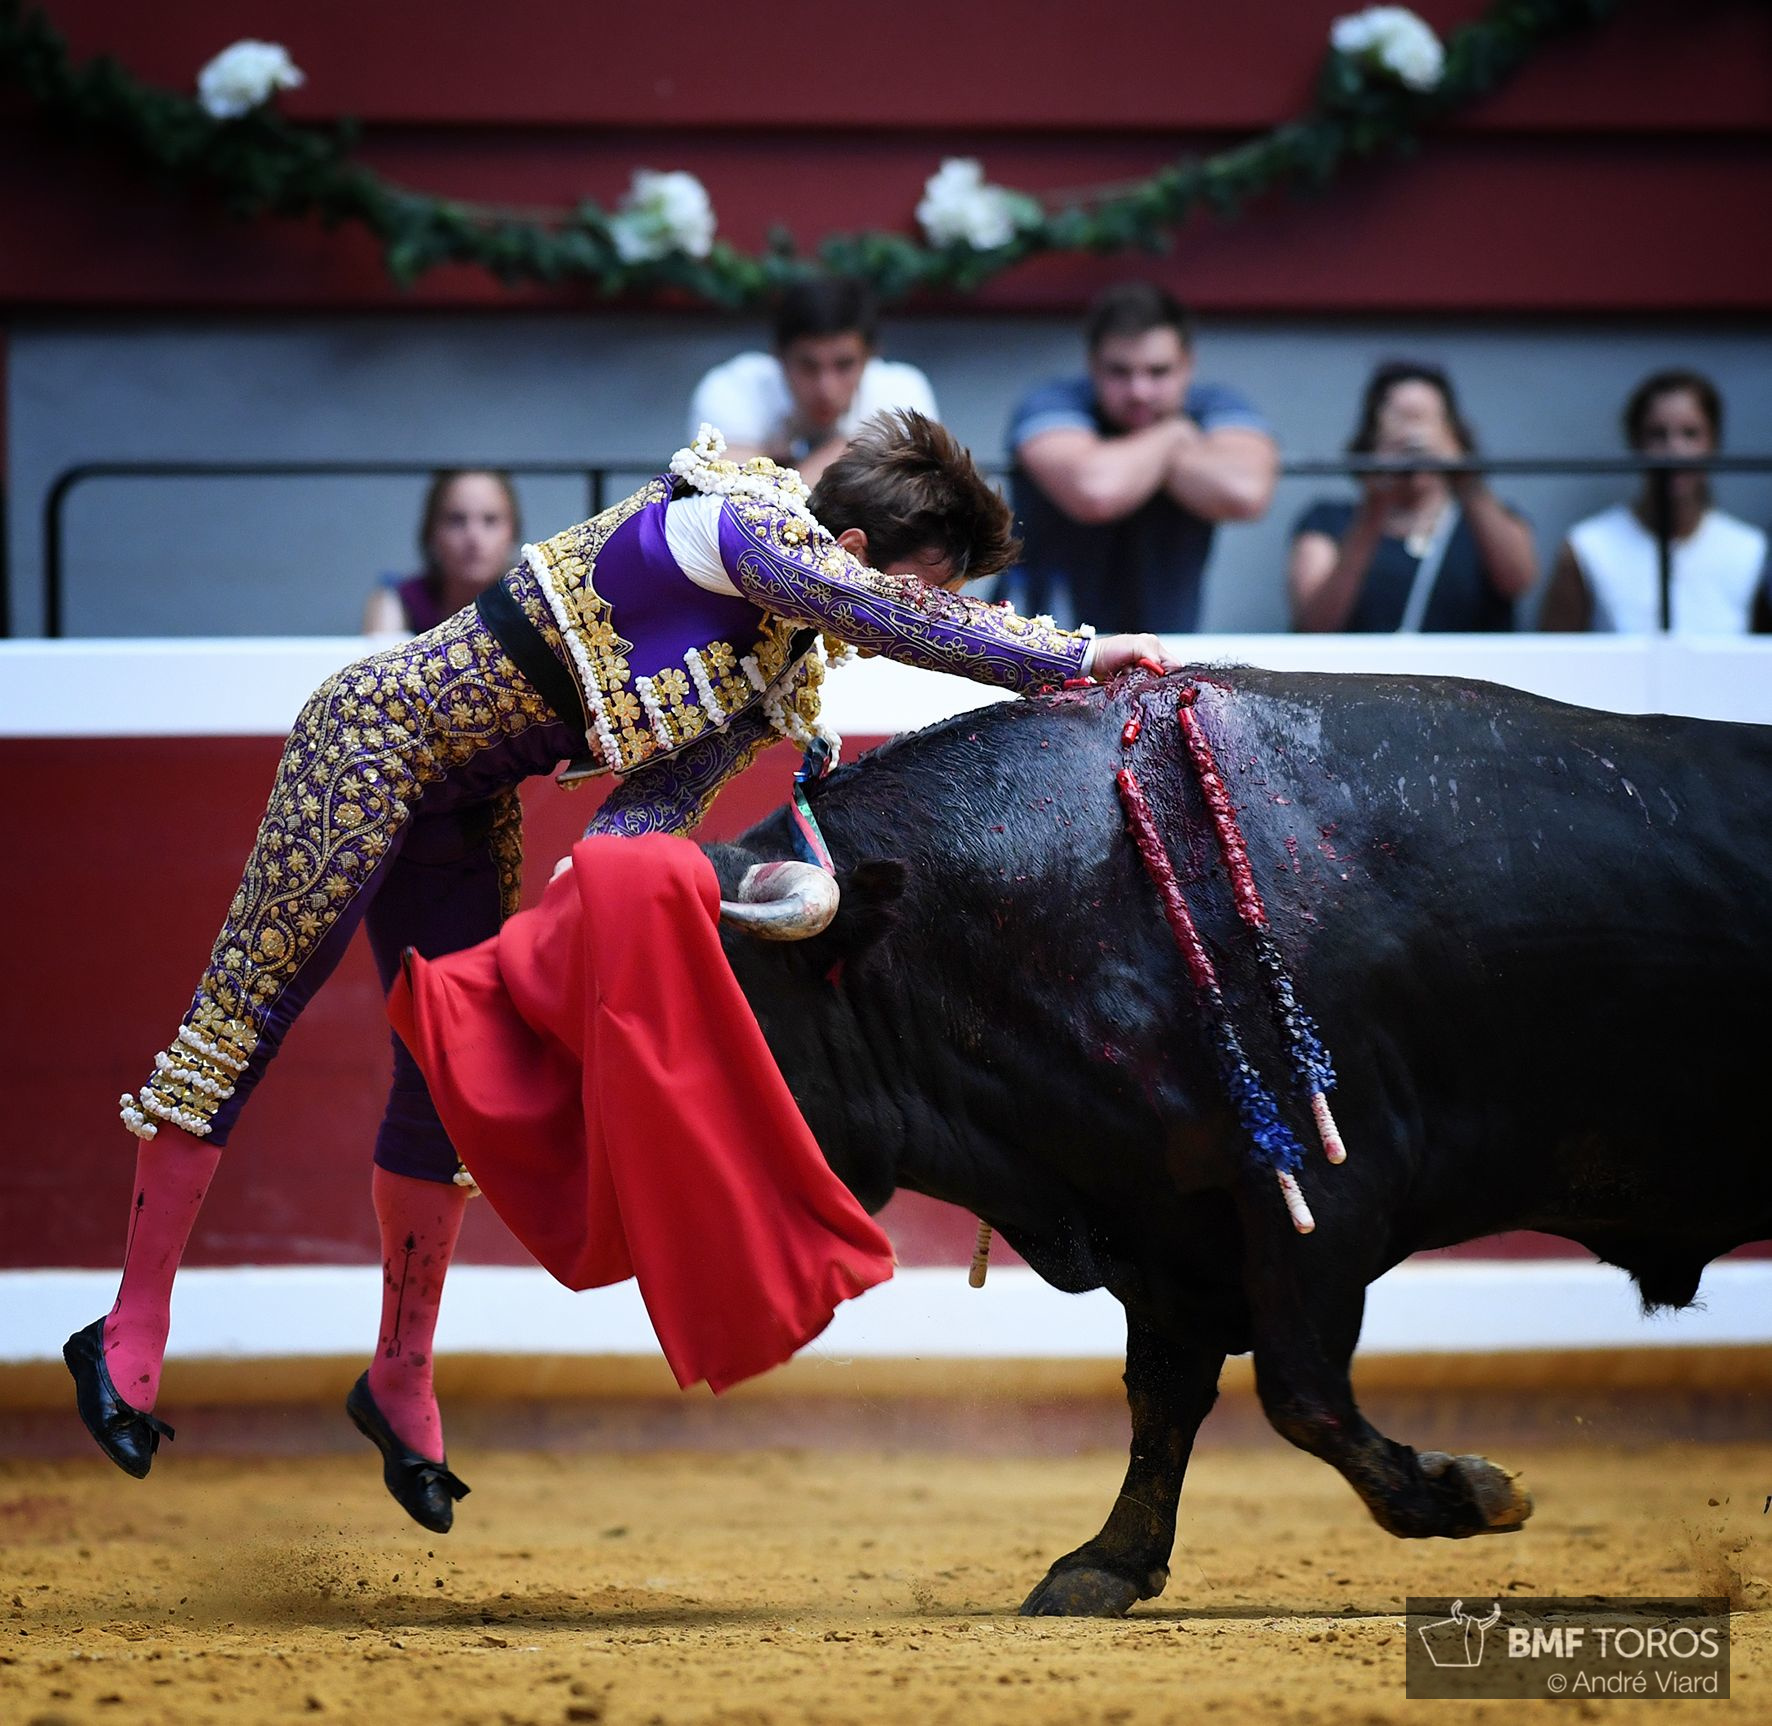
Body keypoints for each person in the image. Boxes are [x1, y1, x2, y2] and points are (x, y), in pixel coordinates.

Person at [74, 410, 1177, 1534]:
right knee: (242, 1020)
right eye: (921, 586)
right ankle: (130, 1322)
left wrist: (636, 915)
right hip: (365, 745)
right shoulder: (728, 525)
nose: (907, 610)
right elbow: (881, 617)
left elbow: (625, 837)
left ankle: (398, 1376)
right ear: (850, 551)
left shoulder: (771, 676)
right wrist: (1072, 658)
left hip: (464, 814)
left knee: (446, 1085)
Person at [1005, 282, 1277, 633]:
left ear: (1187, 365)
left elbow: (1244, 492)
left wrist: (1129, 462)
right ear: (1093, 366)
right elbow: (1095, 493)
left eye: (1158, 371)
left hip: (1165, 646)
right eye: (1120, 371)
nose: (1139, 391)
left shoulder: (1217, 405)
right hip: (1042, 645)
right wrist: (1173, 436)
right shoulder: (1052, 402)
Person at [1288, 362, 1537, 633]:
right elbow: (1315, 624)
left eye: (1426, 419)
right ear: (1372, 439)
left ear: (1453, 433)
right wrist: (1377, 502)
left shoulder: (1490, 517)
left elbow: (1519, 581)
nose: (1413, 437)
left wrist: (1463, 475)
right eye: (1399, 420)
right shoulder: (1327, 520)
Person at [1540, 369, 1769, 634]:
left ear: (1713, 442)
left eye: (1691, 434)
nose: (1674, 450)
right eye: (1658, 434)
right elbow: (1556, 658)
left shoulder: (1749, 550)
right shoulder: (1587, 548)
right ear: (1635, 441)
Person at [688, 276, 938, 487]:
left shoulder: (903, 389)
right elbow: (731, 501)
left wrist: (773, 467)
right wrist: (855, 454)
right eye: (808, 365)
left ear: (869, 358)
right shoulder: (733, 388)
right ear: (779, 357)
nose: (826, 389)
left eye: (844, 365)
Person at [363, 469, 521, 634]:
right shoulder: (398, 601)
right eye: (456, 520)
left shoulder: (533, 601)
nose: (473, 537)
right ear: (431, 533)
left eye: (490, 520)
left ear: (513, 534)